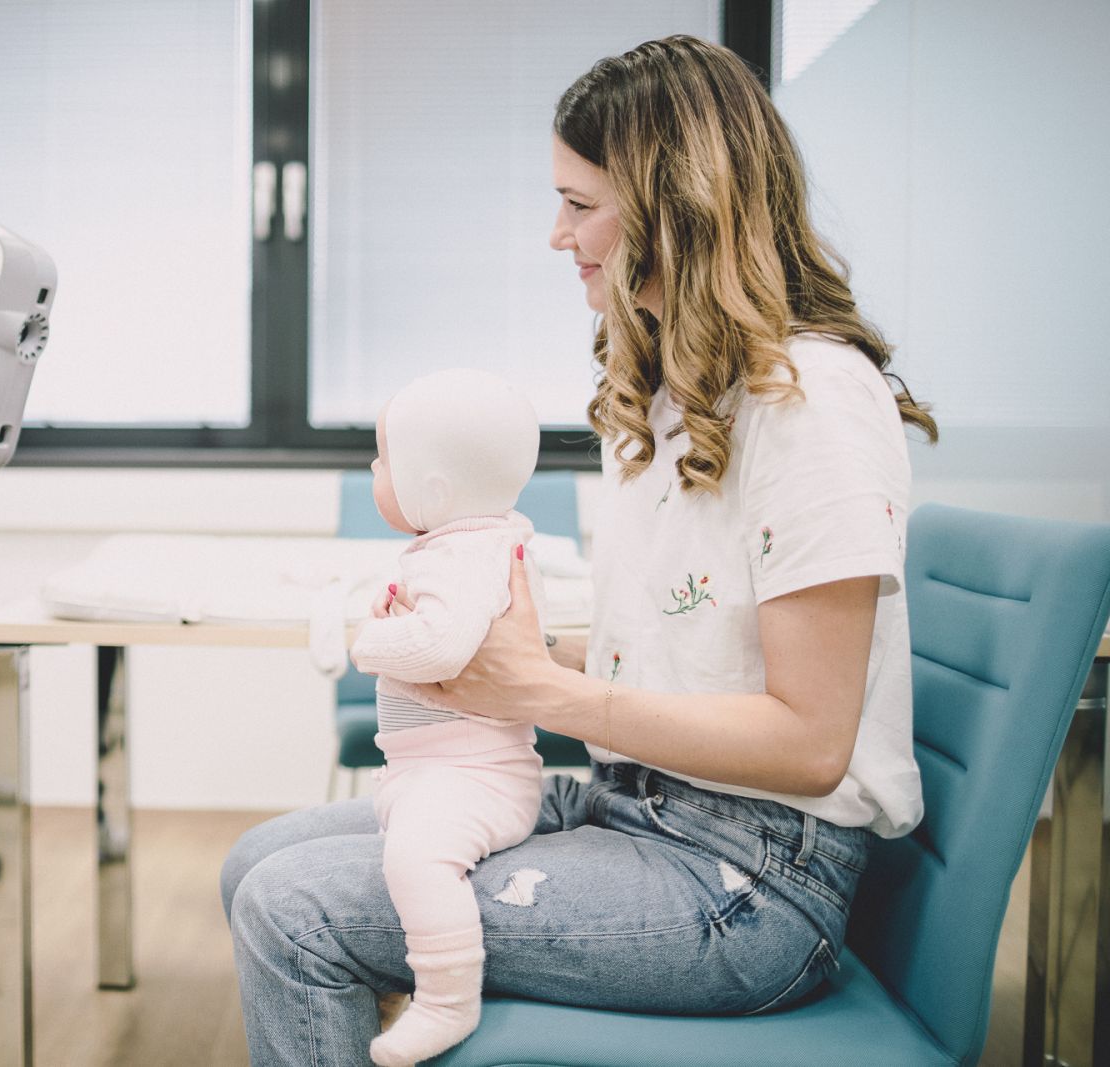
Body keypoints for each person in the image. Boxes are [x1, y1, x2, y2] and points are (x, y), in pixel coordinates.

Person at [221, 34, 938, 1066]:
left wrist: (543, 696)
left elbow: (809, 742)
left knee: (294, 908)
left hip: (754, 882)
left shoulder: (811, 402)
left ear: (676, 208)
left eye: (579, 203)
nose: (556, 234)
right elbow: (685, 654)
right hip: (639, 803)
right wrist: (510, 662)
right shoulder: (667, 399)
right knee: (256, 861)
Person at [348, 368, 547, 1066]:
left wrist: (366, 641)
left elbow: (440, 644)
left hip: (476, 778)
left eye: (380, 459)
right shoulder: (466, 545)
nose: (371, 469)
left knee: (416, 855)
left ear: (433, 491)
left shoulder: (465, 555)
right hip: (446, 770)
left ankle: (447, 999)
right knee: (404, 844)